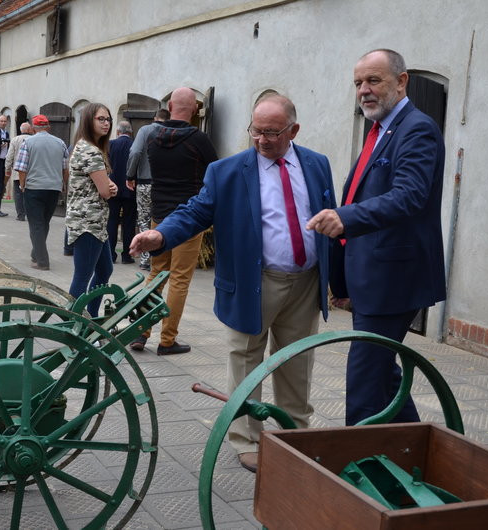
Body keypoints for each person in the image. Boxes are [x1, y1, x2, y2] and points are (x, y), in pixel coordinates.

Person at [131, 93, 335, 472]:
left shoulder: (317, 165)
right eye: (255, 131)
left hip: (306, 281)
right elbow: (196, 211)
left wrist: (336, 279)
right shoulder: (227, 170)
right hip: (252, 280)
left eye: (272, 133)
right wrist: (161, 236)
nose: (261, 140)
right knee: (245, 358)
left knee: (297, 361)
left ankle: (294, 435)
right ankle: (247, 438)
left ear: (294, 130)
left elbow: (329, 220)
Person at [306, 49, 446, 426]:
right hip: (371, 276)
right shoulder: (380, 129)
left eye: (373, 81)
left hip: (393, 278)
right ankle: (419, 446)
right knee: (383, 374)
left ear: (402, 82)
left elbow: (409, 195)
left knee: (366, 380)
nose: (364, 90)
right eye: (358, 83)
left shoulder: (416, 128)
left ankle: (361, 468)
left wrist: (344, 217)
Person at [129, 87, 217, 355]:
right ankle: (167, 340)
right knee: (179, 278)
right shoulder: (198, 139)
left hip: (159, 216)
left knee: (156, 274)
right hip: (188, 218)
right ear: (193, 109)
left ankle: (140, 333)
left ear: (169, 106)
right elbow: (216, 171)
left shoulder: (153, 138)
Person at [66, 103, 119, 316]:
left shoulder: (84, 146)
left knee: (105, 270)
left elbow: (103, 186)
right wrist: (110, 187)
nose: (106, 123)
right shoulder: (90, 151)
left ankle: (92, 318)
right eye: (101, 119)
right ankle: (73, 327)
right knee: (82, 276)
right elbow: (105, 191)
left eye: (108, 119)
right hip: (88, 221)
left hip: (94, 222)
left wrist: (109, 186)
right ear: (89, 120)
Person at [14, 114, 69, 271]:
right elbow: (65, 168)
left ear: (33, 128)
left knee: (36, 224)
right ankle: (36, 253)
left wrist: (22, 185)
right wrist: (63, 184)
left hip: (34, 187)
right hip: (53, 188)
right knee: (44, 222)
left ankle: (43, 261)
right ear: (48, 127)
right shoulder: (60, 143)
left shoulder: (28, 142)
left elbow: (22, 167)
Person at [127, 108, 169, 271]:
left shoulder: (145, 130)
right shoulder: (172, 132)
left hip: (145, 183)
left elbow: (135, 152)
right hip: (165, 185)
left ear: (154, 118)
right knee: (162, 220)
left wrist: (130, 175)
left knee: (144, 219)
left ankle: (146, 258)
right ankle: (161, 257)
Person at [107, 120, 136, 264]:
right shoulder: (135, 145)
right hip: (130, 189)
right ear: (130, 132)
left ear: (118, 132)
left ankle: (111, 254)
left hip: (113, 188)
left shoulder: (110, 144)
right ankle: (127, 255)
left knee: (111, 221)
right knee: (129, 222)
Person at [5, 121, 33, 221]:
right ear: (29, 130)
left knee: (18, 194)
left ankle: (20, 215)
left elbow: (9, 156)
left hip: (18, 171)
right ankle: (30, 214)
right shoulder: (33, 140)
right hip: (31, 172)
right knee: (30, 193)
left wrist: (7, 169)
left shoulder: (15, 140)